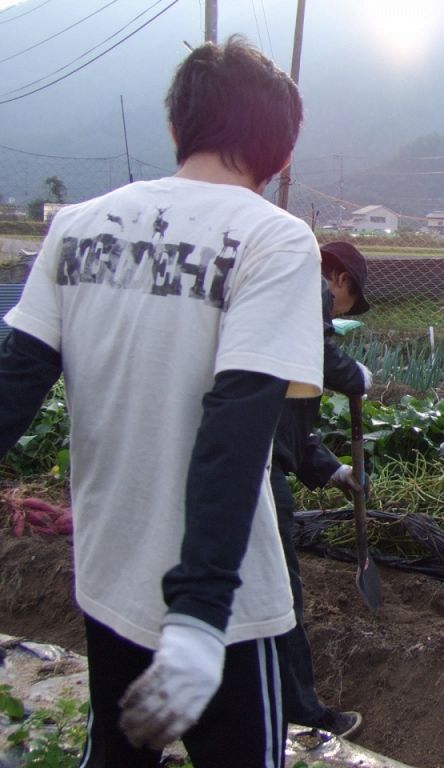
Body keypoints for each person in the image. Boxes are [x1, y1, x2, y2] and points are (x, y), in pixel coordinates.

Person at [0, 37, 325, 767]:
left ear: (176, 127)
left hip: (109, 573)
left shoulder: (76, 225)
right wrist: (199, 614)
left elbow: (11, 387)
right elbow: (235, 428)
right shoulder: (273, 240)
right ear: (281, 156)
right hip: (223, 610)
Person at [271, 241, 372, 738]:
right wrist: (355, 376)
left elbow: (285, 418)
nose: (336, 317)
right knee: (278, 591)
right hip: (253, 471)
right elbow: (322, 357)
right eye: (344, 306)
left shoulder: (278, 310)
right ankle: (299, 711)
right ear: (341, 281)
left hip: (245, 453)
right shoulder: (307, 286)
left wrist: (335, 472)